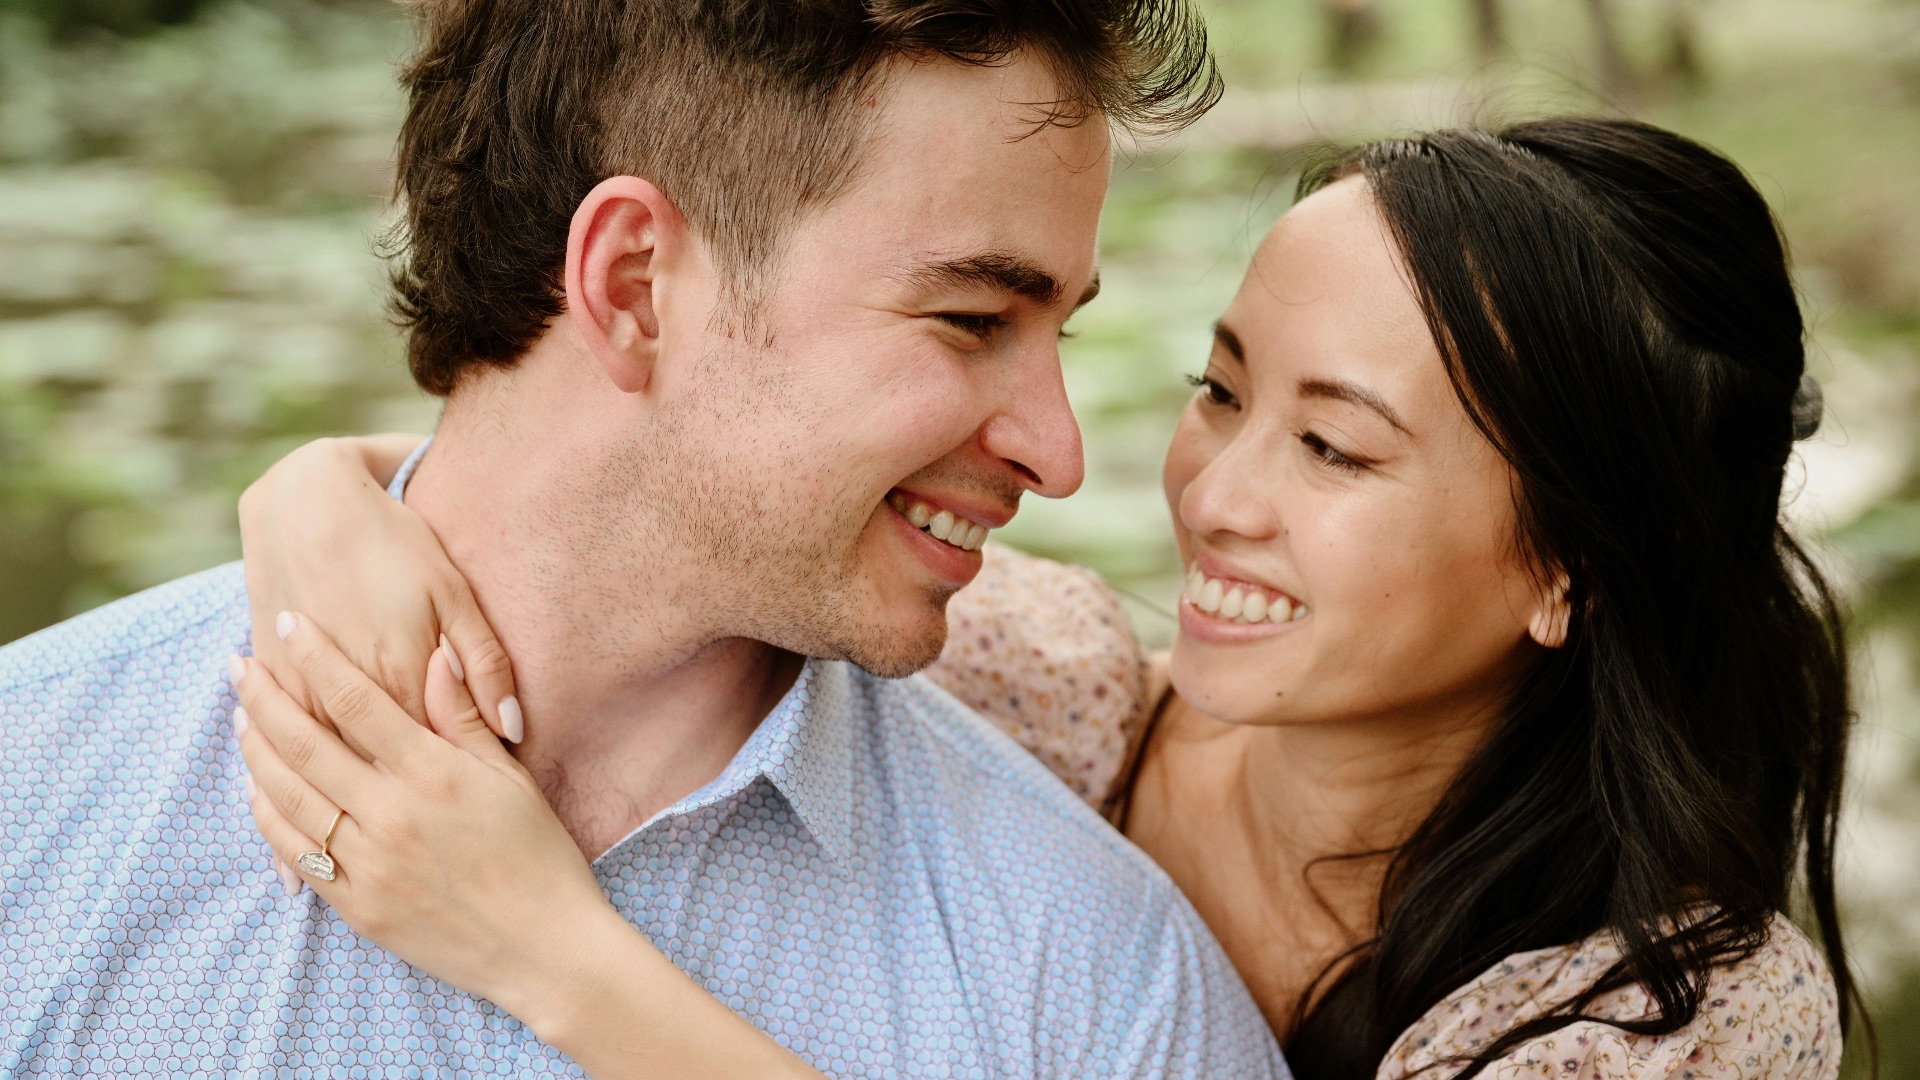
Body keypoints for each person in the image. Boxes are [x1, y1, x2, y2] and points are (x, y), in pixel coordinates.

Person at [239, 117, 1859, 1078]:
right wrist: (320, 499)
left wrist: (552, 957)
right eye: (1219, 392)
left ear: (1569, 564)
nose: (1214, 497)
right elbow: (663, 499)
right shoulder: (1064, 685)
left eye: (1333, 450)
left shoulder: (1678, 1017)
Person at [0, 2, 1292, 1076]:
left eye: (1052, 331)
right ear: (631, 283)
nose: (1058, 453)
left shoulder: (1106, 996)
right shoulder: (38, 804)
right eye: (968, 319)